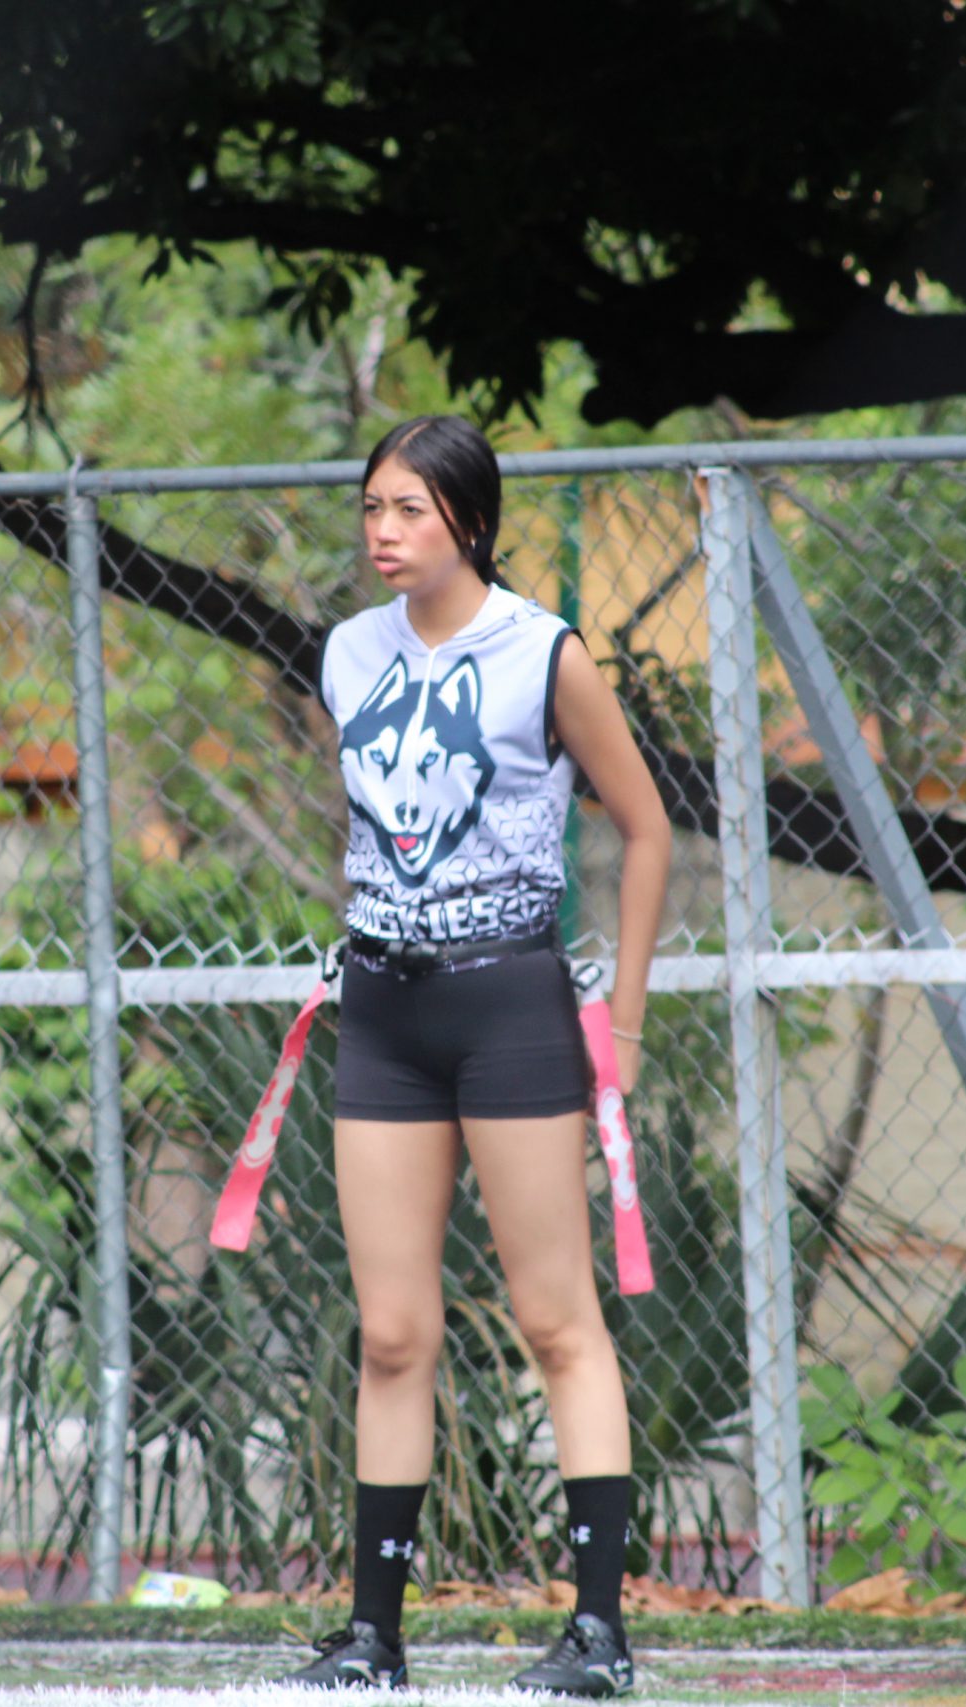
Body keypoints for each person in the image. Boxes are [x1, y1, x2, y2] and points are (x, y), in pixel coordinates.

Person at [279, 416, 673, 1697]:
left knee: (556, 1320)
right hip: (384, 1013)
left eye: (409, 509)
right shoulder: (348, 652)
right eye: (371, 508)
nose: (383, 531)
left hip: (510, 1009)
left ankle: (597, 1635)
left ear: (471, 521)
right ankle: (373, 1638)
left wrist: (623, 1025)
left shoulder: (542, 652)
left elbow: (646, 828)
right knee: (393, 1333)